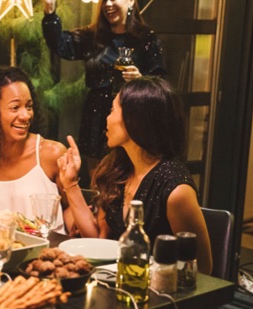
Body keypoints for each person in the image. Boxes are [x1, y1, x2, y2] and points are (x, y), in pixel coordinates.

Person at [39, 77, 213, 309]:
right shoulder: (119, 168)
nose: (106, 117)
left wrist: (130, 305)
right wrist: (70, 185)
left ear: (135, 119)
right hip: (115, 295)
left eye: (113, 109)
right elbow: (100, 241)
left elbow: (202, 270)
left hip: (171, 308)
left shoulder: (174, 188)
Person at [42, 0, 166, 184]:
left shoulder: (146, 38)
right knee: (97, 178)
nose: (108, 4)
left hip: (130, 115)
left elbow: (161, 84)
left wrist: (141, 79)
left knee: (129, 175)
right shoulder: (93, 37)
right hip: (96, 114)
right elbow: (60, 44)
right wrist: (50, 13)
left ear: (130, 1)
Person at [0, 64, 72, 233]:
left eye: (29, 106)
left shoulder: (51, 154)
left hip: (44, 255)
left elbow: (71, 209)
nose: (26, 116)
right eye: (15, 107)